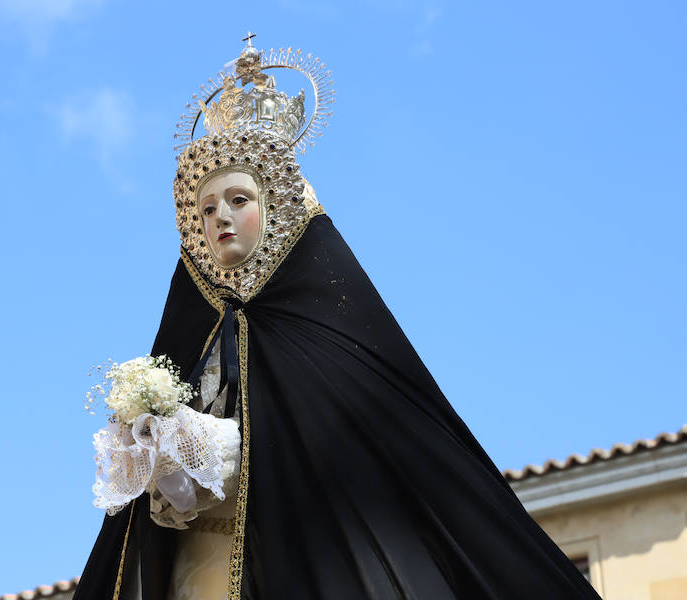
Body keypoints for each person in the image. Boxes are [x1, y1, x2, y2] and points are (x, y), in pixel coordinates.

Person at [73, 38, 602, 600]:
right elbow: (157, 507)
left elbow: (366, 445)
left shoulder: (329, 326)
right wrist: (160, 450)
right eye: (206, 209)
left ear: (275, 209)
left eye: (238, 200)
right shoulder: (191, 335)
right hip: (199, 568)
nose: (220, 217)